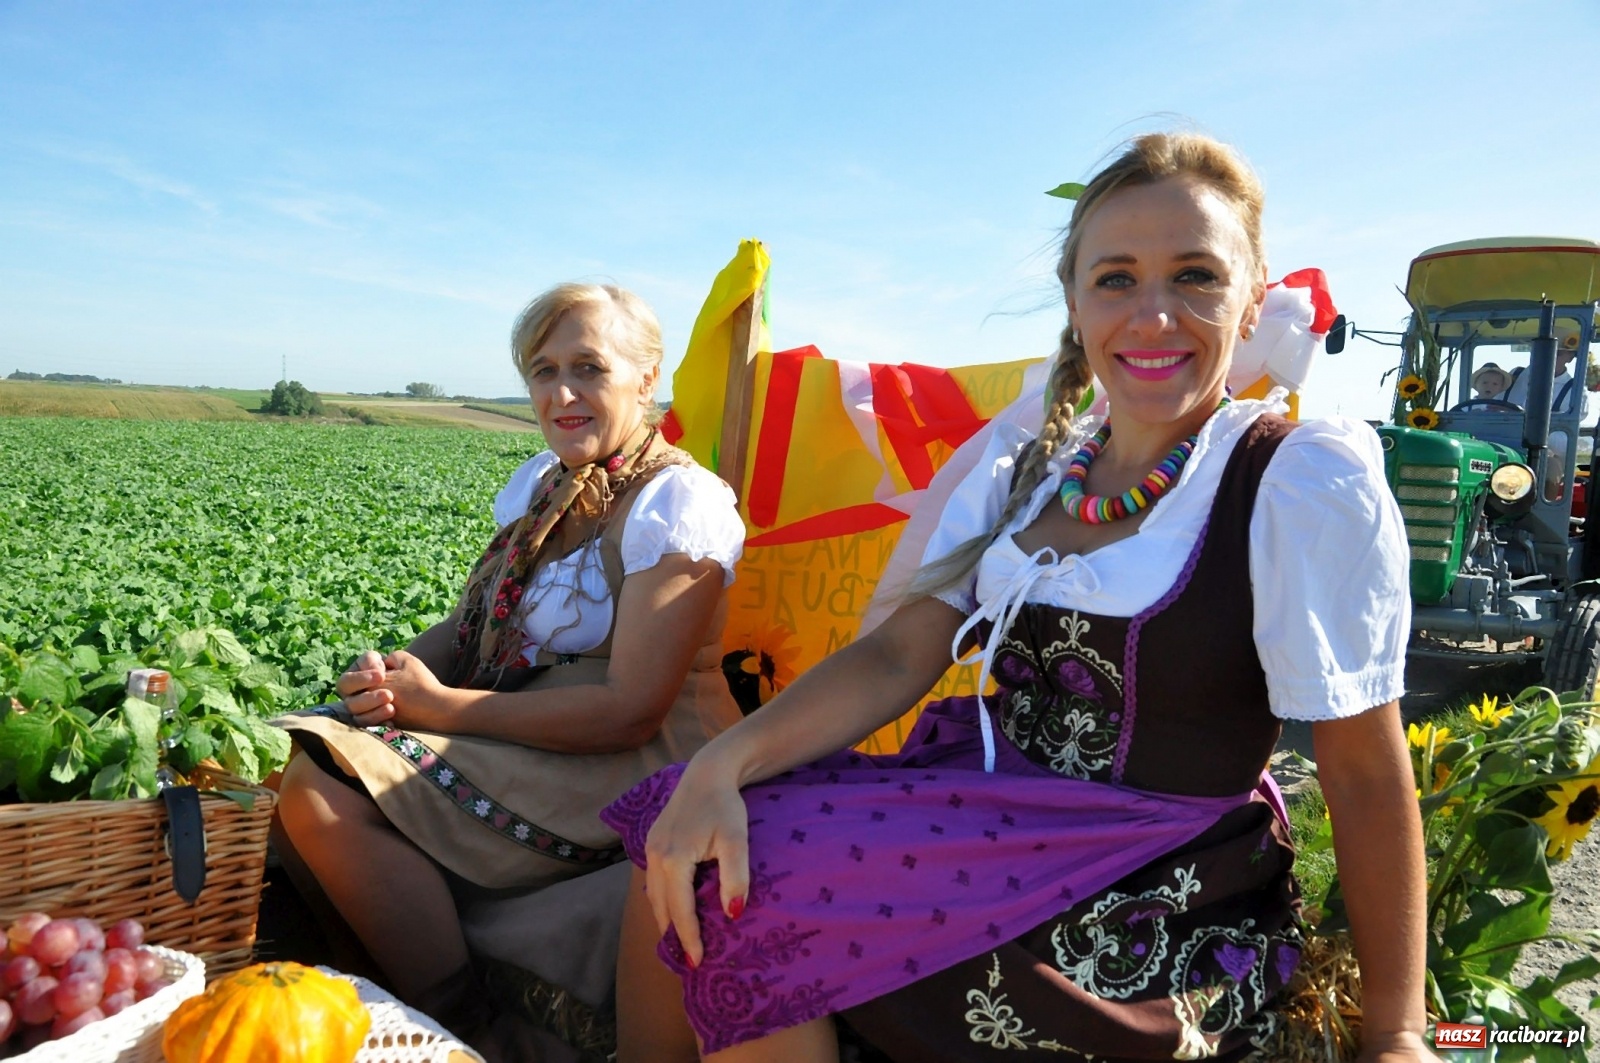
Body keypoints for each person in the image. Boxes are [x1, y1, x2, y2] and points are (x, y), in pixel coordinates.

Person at [603, 133, 1440, 1062]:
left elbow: (1363, 766)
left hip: (1154, 867)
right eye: (1116, 279)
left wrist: (1399, 1031)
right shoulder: (1038, 462)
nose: (1153, 315)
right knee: (683, 829)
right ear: (1077, 302)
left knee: (751, 900)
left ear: (1251, 301)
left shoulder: (1293, 476)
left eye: (1196, 276)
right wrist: (721, 764)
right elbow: (897, 654)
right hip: (993, 811)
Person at [272, 283, 746, 1060]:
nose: (561, 393)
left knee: (325, 783)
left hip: (636, 756)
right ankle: (392, 998)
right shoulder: (543, 487)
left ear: (645, 376)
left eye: (588, 367)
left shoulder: (679, 502)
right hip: (527, 724)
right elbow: (473, 624)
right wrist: (395, 676)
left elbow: (631, 708)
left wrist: (439, 709)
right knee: (292, 750)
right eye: (542, 369)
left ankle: (464, 1027)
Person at [1505, 340, 1588, 494]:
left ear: (1570, 357)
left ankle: (1542, 513)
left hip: (1545, 453)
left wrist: (1544, 442)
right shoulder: (1514, 377)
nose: (1547, 357)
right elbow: (1490, 406)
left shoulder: (1575, 391)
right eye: (1539, 351)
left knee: (1549, 468)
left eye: (1557, 353)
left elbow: (1565, 437)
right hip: (1506, 445)